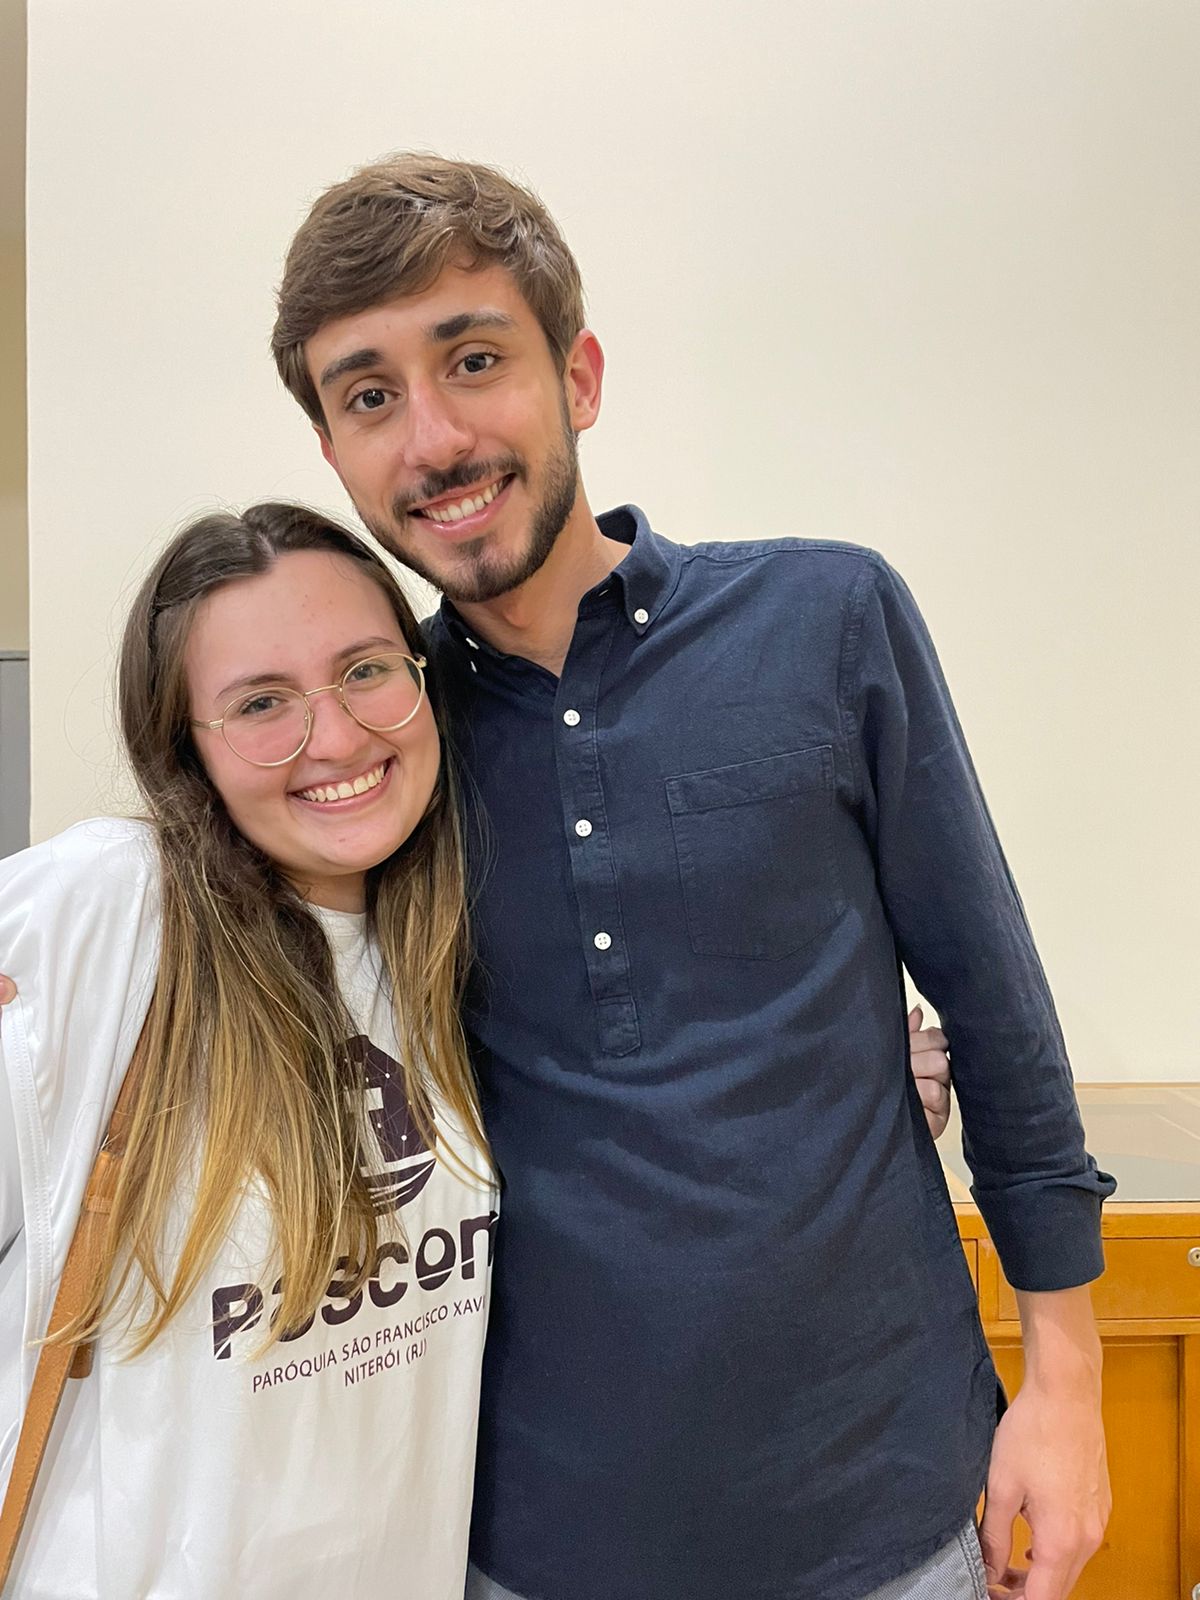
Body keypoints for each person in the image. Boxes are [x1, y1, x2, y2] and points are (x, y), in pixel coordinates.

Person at [267, 154, 1114, 1600]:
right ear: (336, 454)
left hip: (893, 1512)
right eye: (368, 396)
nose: (434, 437)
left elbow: (996, 1005)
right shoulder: (384, 745)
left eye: (474, 360)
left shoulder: (828, 617)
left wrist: (1067, 1384)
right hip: (532, 1541)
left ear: (578, 376)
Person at [0, 502, 497, 1598]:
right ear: (186, 749)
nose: (338, 737)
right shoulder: (115, 908)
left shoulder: (446, 945)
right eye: (262, 703)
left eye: (365, 670)